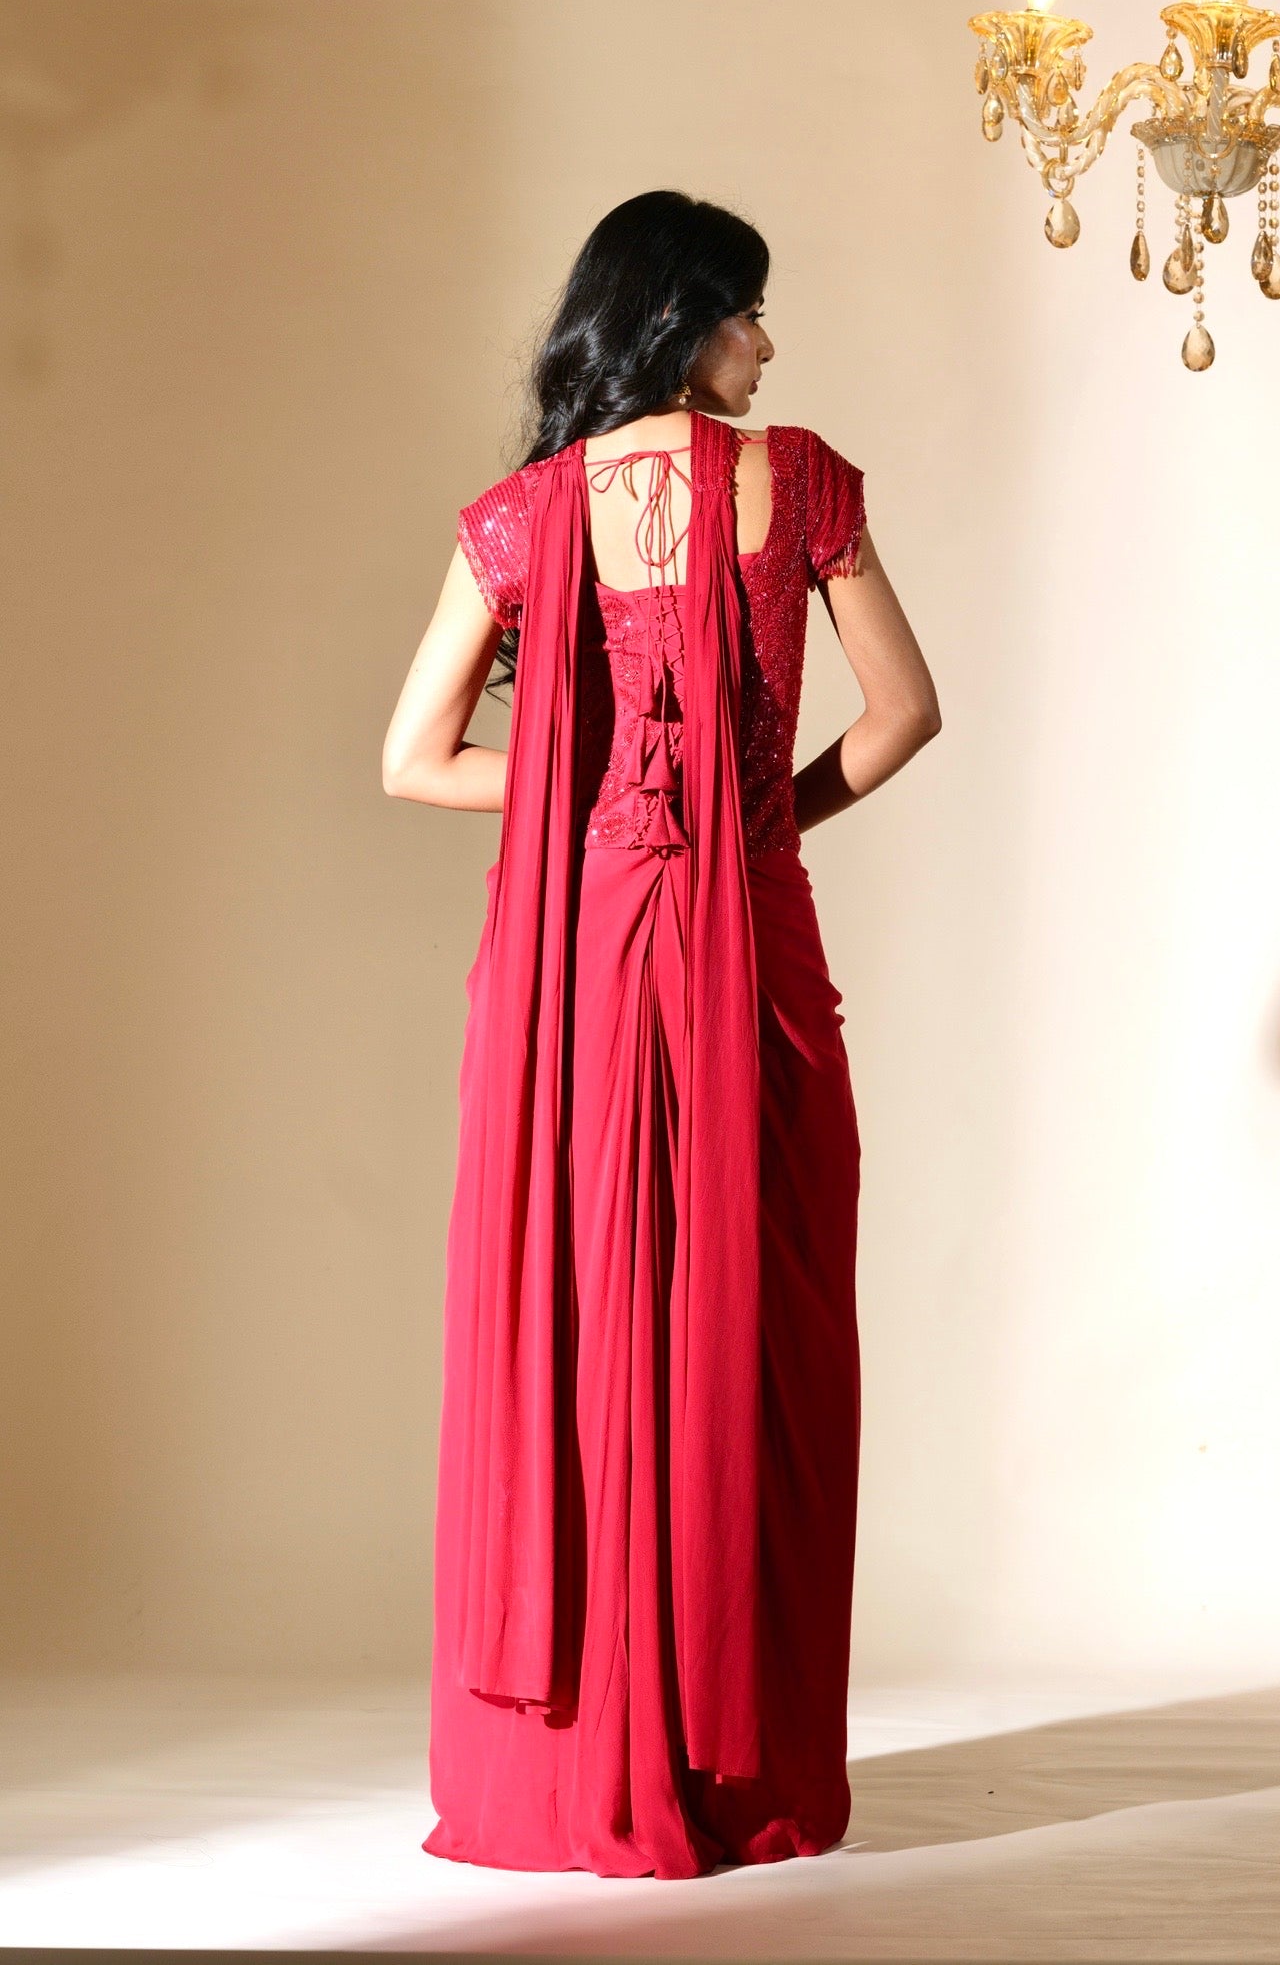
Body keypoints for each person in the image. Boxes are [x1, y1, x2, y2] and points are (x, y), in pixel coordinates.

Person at [380, 190, 941, 1878]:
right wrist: (752, 826)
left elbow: (412, 755)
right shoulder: (806, 482)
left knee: (581, 1305)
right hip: (748, 945)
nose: (769, 344)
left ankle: (562, 1763)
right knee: (753, 1321)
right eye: (752, 312)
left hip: (581, 955)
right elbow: (907, 713)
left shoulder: (527, 514)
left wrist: (599, 813)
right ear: (688, 318)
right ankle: (734, 1758)